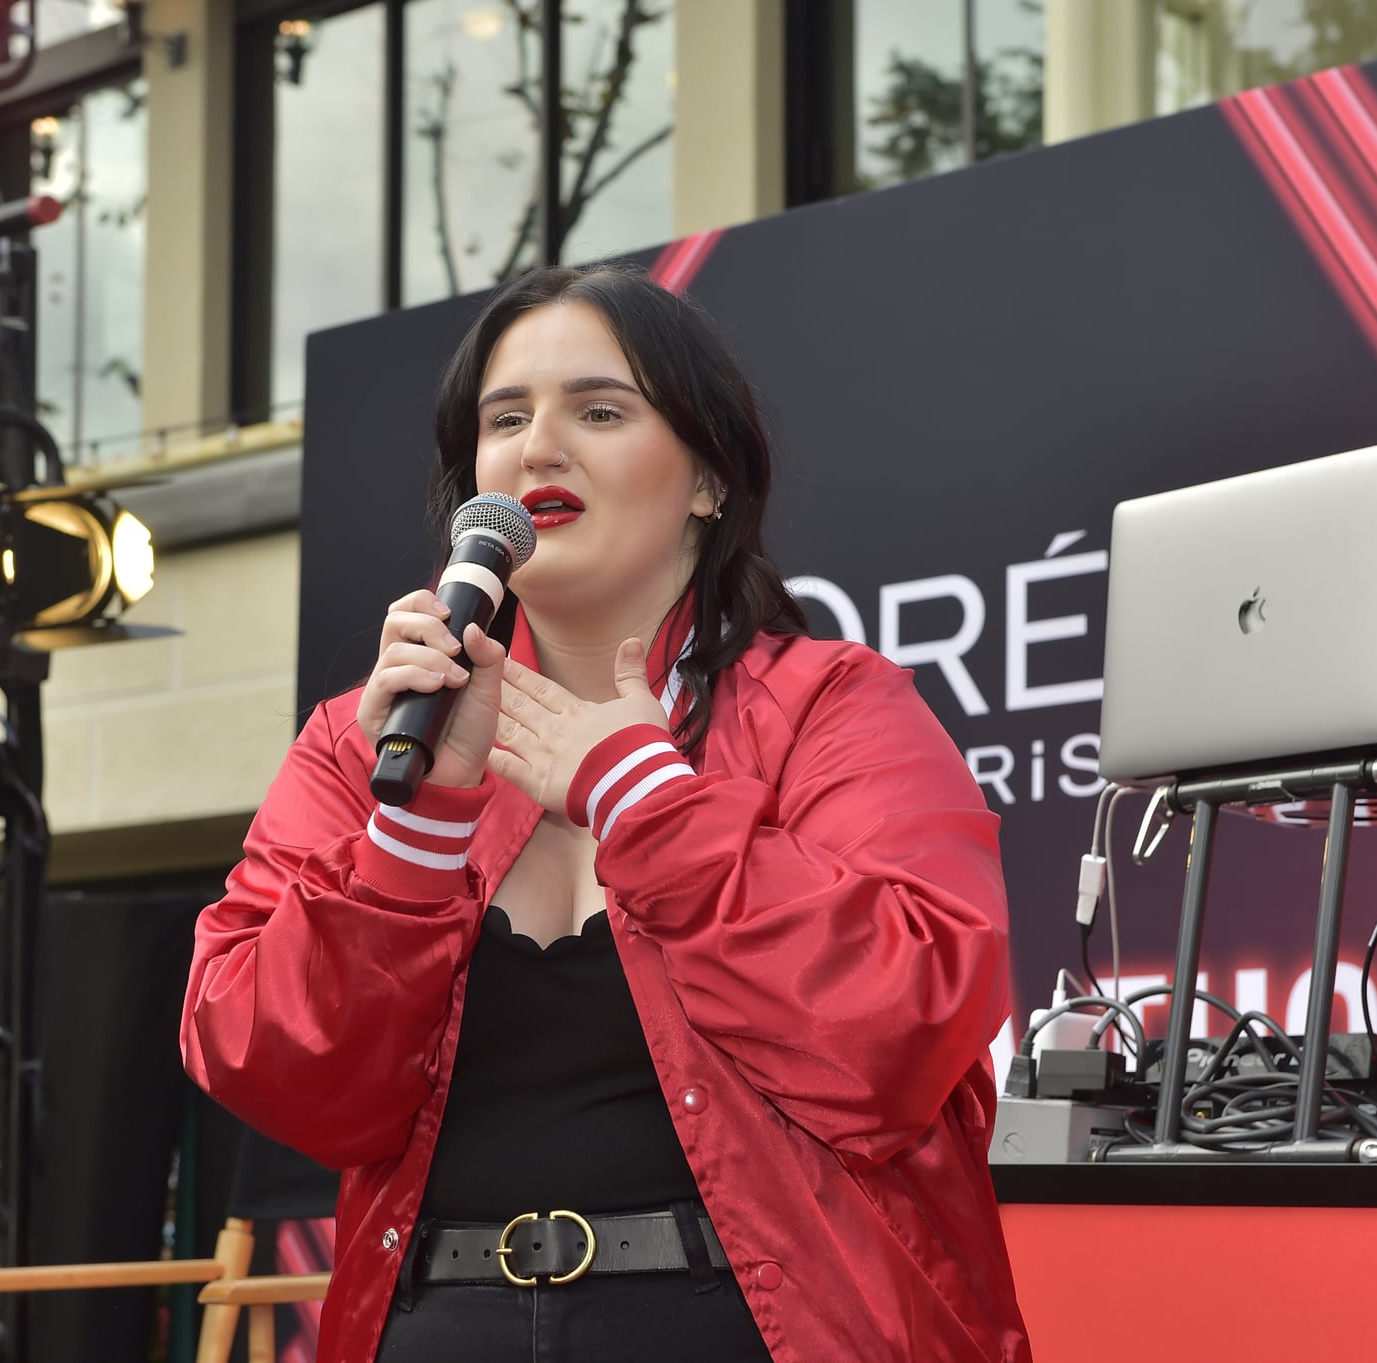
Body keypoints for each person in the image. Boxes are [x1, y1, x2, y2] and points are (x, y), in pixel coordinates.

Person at [182, 264, 1031, 1363]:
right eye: (504, 419)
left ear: (707, 480)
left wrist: (644, 800)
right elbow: (273, 1066)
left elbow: (905, 1027)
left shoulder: (832, 701)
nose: (539, 446)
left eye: (597, 409)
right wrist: (416, 828)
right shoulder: (367, 736)